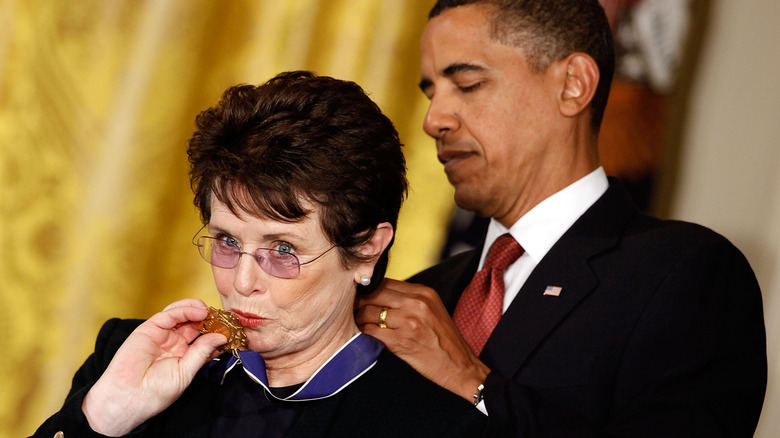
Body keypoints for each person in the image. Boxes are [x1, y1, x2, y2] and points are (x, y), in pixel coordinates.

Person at [356, 1, 767, 436]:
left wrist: (469, 381)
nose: (433, 120)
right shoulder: (425, 293)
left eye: (468, 84)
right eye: (431, 93)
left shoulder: (683, 275)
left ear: (574, 85)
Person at [32, 71, 486, 438]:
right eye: (228, 242)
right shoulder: (130, 360)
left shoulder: (435, 426)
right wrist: (101, 420)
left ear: (366, 250)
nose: (241, 281)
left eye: (282, 249)